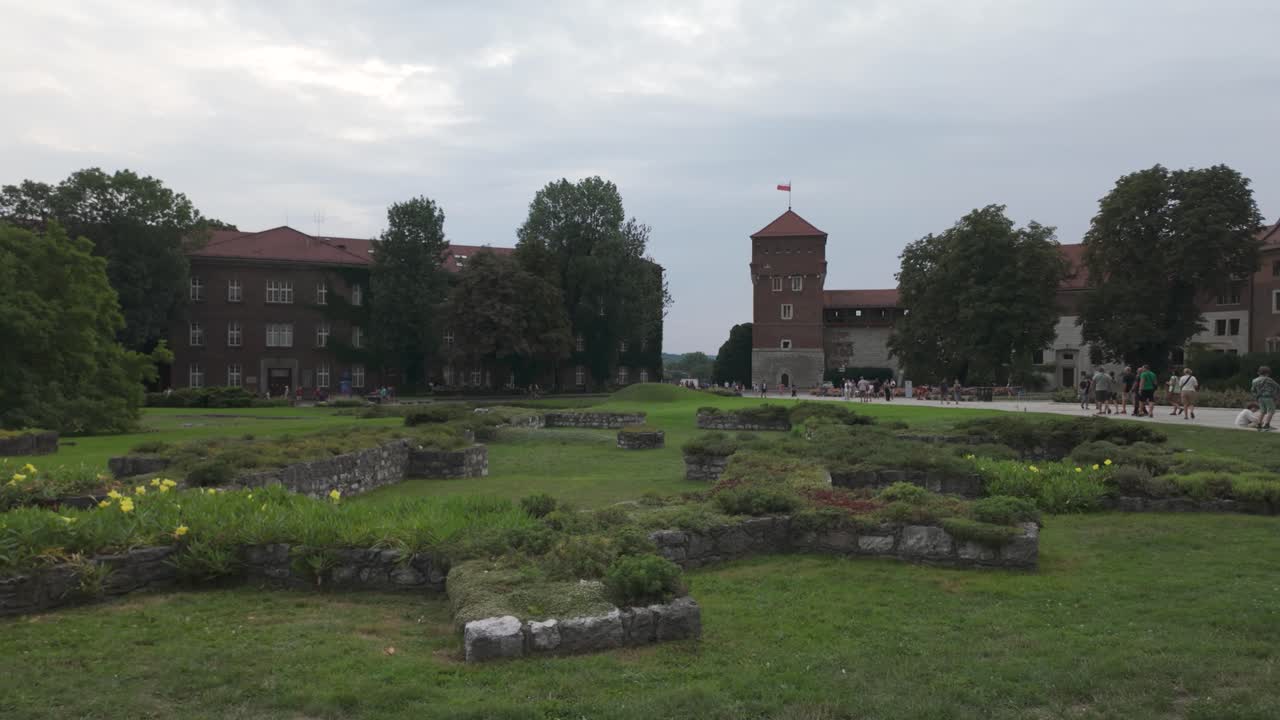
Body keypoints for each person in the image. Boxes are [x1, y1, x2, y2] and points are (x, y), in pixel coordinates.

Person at [1251, 366, 1280, 431]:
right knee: (1271, 411)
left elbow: (1253, 390)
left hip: (1260, 398)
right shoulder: (1268, 379)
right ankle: (1267, 425)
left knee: (1262, 411)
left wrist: (1256, 396)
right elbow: (1277, 386)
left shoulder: (1254, 380)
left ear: (1259, 373)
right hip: (1268, 397)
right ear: (1267, 373)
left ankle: (1259, 424)